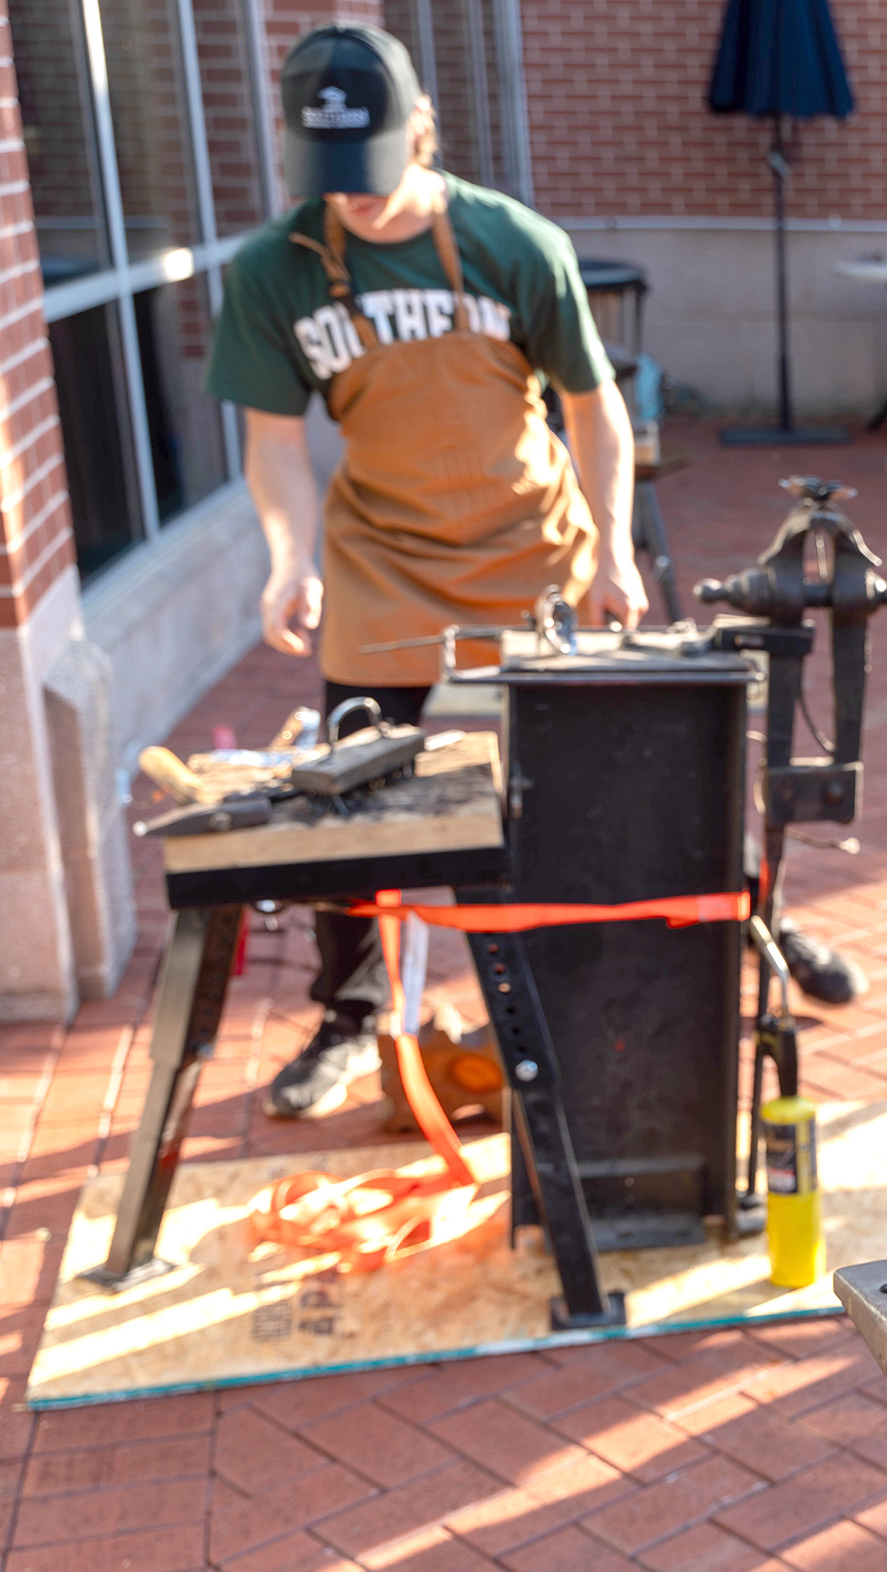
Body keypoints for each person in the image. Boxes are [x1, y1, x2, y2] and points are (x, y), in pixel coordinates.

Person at [205, 25, 644, 1118]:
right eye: (327, 178)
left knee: (557, 805)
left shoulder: (514, 242)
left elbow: (595, 411)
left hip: (532, 558)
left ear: (425, 135)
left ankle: (570, 1002)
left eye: (370, 171)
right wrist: (286, 560)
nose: (349, 199)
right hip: (383, 572)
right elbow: (271, 442)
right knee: (354, 806)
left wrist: (616, 551)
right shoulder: (276, 269)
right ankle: (350, 1017)